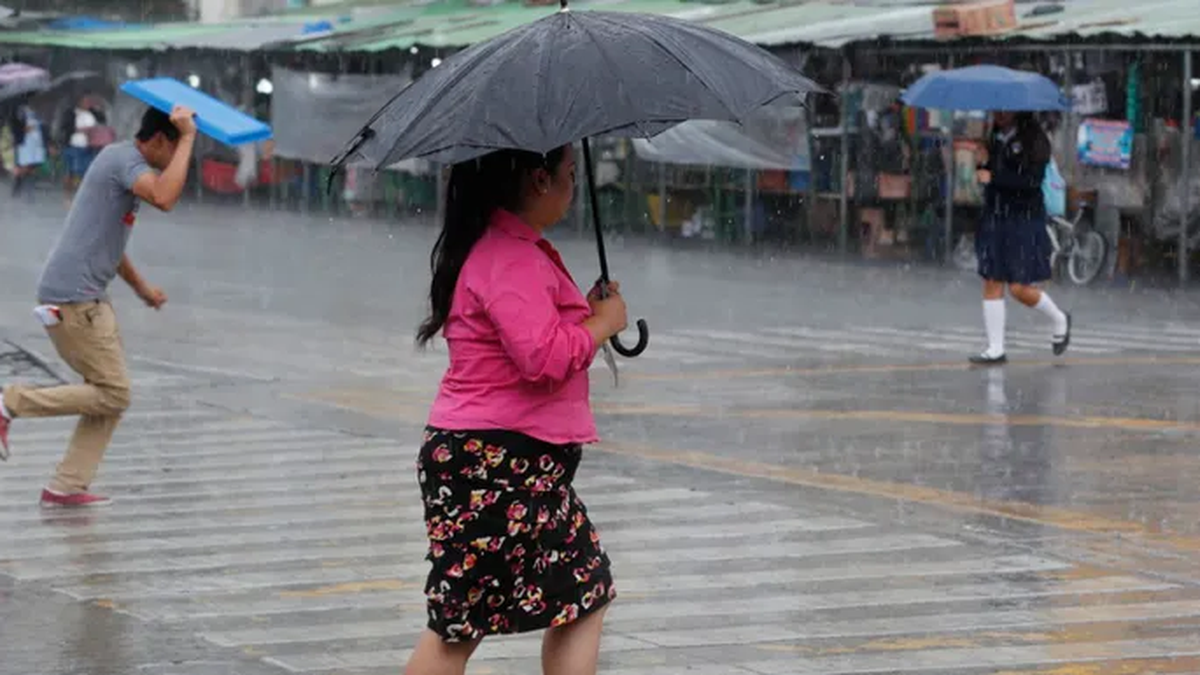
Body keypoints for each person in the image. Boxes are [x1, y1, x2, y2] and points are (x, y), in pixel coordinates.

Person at [404, 145, 628, 675]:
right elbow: (544, 358)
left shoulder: (510, 249)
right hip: (497, 465)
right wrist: (605, 324)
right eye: (570, 174)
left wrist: (591, 312)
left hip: (512, 465)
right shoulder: (509, 256)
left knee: (581, 594)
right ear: (538, 179)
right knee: (460, 626)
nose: (575, 186)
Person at [0, 105, 197, 507]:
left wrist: (142, 289)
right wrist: (189, 137)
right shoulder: (125, 161)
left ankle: (67, 484)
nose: (177, 163)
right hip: (75, 299)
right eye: (174, 151)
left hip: (83, 295)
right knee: (115, 394)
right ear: (159, 141)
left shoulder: (119, 165)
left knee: (108, 392)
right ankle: (10, 402)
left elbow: (110, 245)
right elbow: (165, 197)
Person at [970, 110, 1071, 365]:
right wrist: (982, 163)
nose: (999, 114)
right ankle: (995, 348)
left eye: (1005, 109)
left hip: (1024, 219)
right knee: (992, 279)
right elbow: (989, 178)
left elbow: (1030, 181)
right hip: (996, 216)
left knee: (1019, 287)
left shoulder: (1034, 139)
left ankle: (1059, 318)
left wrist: (994, 177)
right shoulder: (994, 136)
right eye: (997, 110)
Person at [9, 97, 47, 199]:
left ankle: (25, 186)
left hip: (36, 142)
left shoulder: (34, 112)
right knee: (24, 165)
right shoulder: (18, 111)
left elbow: (41, 125)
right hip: (25, 143)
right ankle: (20, 185)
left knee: (33, 165)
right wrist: (27, 129)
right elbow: (17, 127)